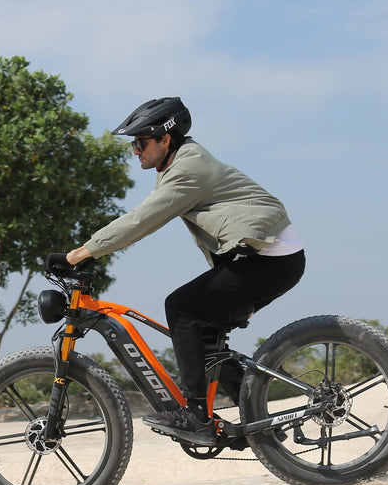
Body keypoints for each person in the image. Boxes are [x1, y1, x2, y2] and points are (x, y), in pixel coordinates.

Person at [67, 97, 305, 437]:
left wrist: (82, 252)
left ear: (165, 139)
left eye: (140, 142)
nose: (135, 150)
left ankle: (196, 415)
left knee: (181, 307)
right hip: (264, 256)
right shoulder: (180, 164)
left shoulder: (187, 170)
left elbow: (142, 219)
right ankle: (259, 427)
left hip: (269, 259)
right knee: (206, 338)